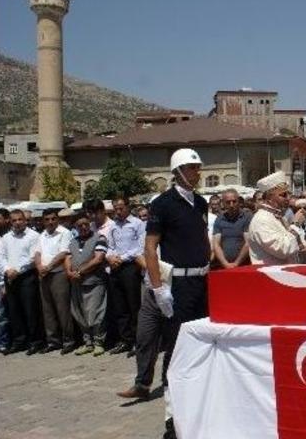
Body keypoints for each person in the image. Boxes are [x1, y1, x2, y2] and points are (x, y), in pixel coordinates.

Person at [141, 148, 212, 438]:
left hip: (202, 283)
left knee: (201, 344)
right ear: (178, 171)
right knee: (175, 348)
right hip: (178, 286)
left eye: (198, 167)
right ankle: (172, 419)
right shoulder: (162, 204)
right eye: (192, 168)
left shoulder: (201, 202)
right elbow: (149, 247)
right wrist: (159, 290)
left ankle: (196, 405)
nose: (198, 172)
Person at [106, 198, 146, 356]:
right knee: (120, 306)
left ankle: (138, 341)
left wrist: (121, 258)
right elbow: (110, 246)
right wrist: (110, 257)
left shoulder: (137, 224)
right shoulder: (113, 225)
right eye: (115, 208)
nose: (118, 211)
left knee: (133, 305)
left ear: (127, 207)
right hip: (116, 267)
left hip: (130, 267)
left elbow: (140, 247)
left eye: (121, 208)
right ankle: (125, 340)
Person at [65, 212, 108, 356]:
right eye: (79, 225)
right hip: (76, 283)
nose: (83, 227)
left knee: (95, 313)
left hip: (94, 282)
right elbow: (68, 257)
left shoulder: (99, 238)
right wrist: (69, 272)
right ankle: (87, 342)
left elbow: (98, 259)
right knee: (79, 314)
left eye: (86, 224)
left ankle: (98, 342)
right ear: (75, 227)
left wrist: (80, 271)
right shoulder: (73, 241)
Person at [0, 209, 42, 355]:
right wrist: (7, 270)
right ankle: (19, 341)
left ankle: (35, 341)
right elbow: (2, 257)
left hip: (26, 276)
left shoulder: (33, 236)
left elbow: (32, 258)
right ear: (10, 222)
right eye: (14, 220)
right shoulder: (5, 238)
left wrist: (16, 270)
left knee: (30, 310)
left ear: (25, 220)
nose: (17, 223)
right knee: (14, 310)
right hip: (10, 277)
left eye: (20, 220)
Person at [34, 208, 75, 354]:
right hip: (44, 275)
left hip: (58, 274)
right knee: (48, 310)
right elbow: (37, 253)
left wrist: (49, 266)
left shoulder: (65, 232)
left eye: (53, 219)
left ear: (57, 219)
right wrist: (39, 266)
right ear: (43, 221)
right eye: (47, 219)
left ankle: (69, 340)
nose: (50, 222)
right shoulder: (42, 235)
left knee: (62, 308)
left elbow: (63, 253)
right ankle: (53, 341)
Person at [247, 172, 305, 266]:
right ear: (270, 197)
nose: (288, 198)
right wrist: (295, 224)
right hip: (270, 276)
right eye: (283, 195)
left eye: (288, 194)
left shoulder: (279, 217)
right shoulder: (261, 220)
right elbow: (283, 250)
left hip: (284, 274)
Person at [212, 189, 252, 269]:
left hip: (244, 266)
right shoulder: (219, 219)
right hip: (224, 266)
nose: (231, 205)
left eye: (234, 201)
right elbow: (216, 244)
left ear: (239, 202)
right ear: (223, 203)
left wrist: (236, 263)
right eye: (228, 202)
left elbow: (248, 243)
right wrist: (225, 263)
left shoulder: (247, 217)